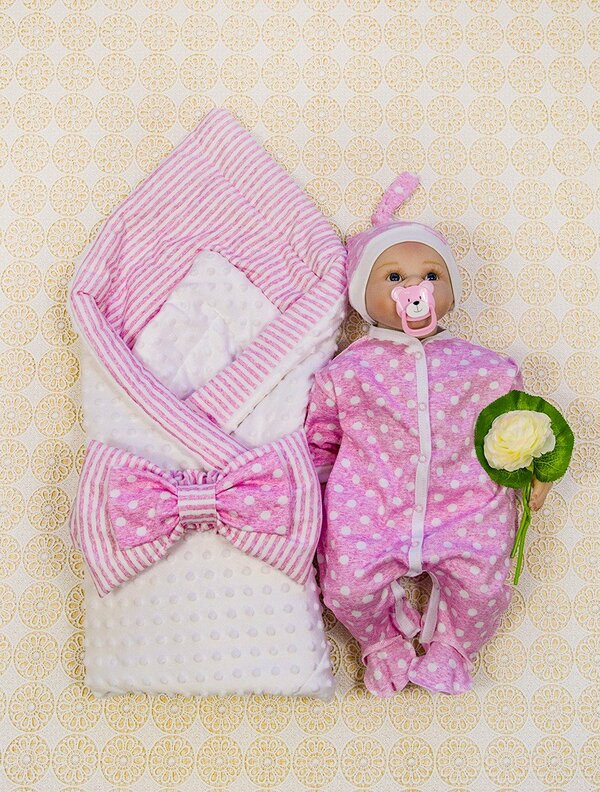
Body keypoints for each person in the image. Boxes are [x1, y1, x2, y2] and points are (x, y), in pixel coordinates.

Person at [304, 172, 552, 697]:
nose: (414, 288)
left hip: (466, 507)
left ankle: (453, 648)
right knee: (345, 586)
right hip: (372, 507)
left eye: (432, 275)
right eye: (393, 276)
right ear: (362, 296)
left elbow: (523, 425)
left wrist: (538, 471)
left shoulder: (489, 369)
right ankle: (383, 642)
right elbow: (321, 438)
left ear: (451, 292)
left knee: (487, 585)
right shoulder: (346, 372)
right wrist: (316, 493)